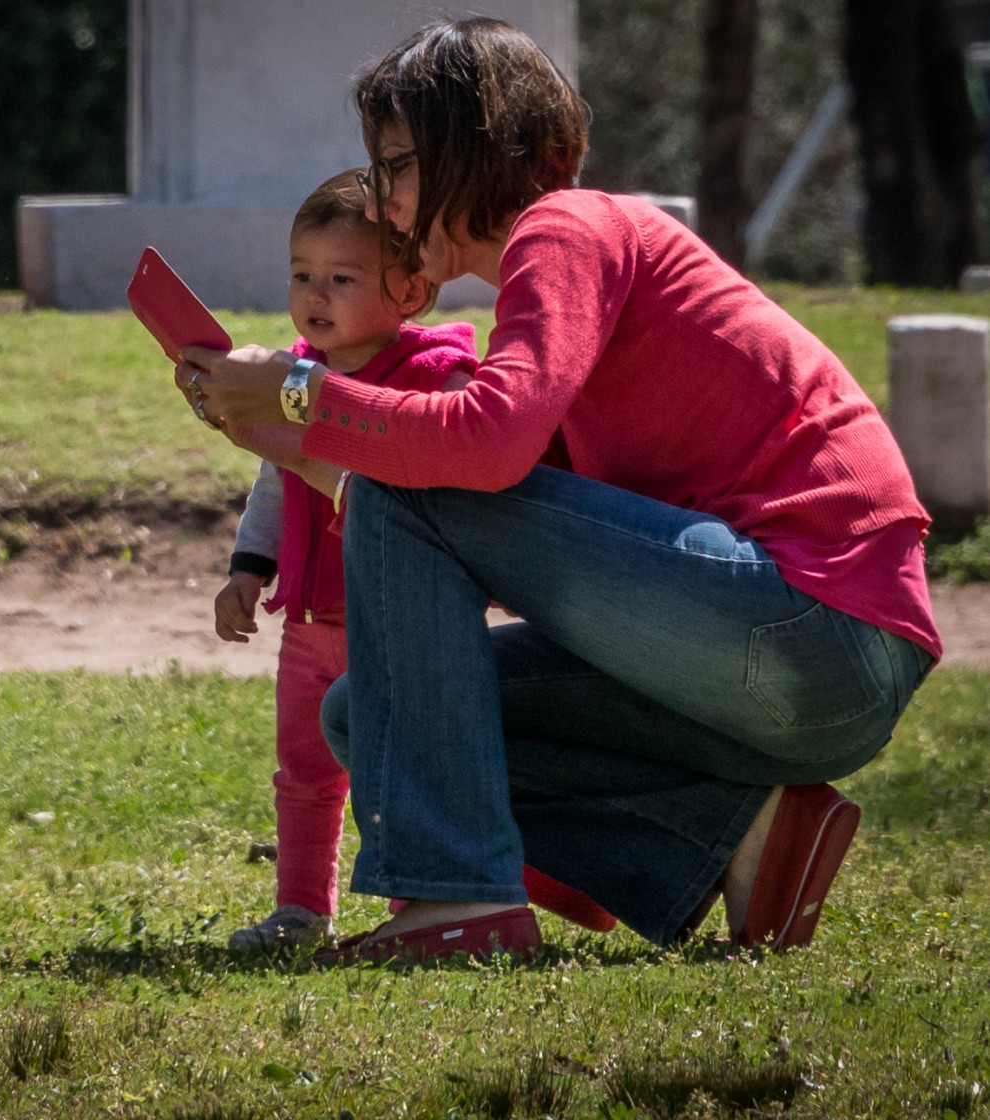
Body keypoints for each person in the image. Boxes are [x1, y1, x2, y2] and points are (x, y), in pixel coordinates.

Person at [177, 18, 943, 963]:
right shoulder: (554, 288)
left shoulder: (566, 227)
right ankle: (749, 837)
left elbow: (483, 457)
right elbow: (480, 522)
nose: (383, 199)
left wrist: (299, 390)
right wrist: (272, 429)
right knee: (365, 713)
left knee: (404, 495)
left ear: (473, 151)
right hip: (796, 660)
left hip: (814, 624)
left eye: (397, 165)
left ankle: (453, 907)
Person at [214, 169, 478, 951]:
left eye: (340, 277)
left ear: (410, 291)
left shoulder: (434, 377)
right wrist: (246, 569)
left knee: (398, 768)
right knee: (302, 772)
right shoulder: (292, 377)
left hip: (398, 617)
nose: (313, 295)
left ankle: (418, 905)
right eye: (301, 275)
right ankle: (301, 910)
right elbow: (276, 472)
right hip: (309, 617)